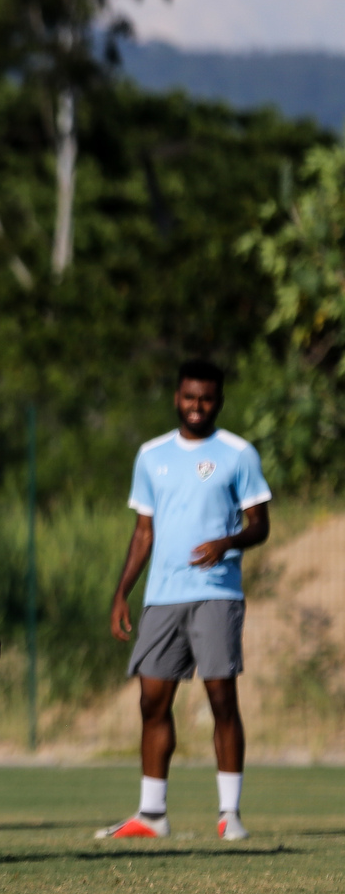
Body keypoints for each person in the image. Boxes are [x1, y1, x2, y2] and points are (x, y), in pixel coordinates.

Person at [100, 360, 269, 842]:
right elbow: (143, 532)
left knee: (221, 698)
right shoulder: (151, 455)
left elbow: (261, 525)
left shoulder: (239, 454)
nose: (198, 406)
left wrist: (227, 542)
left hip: (216, 594)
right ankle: (152, 813)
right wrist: (121, 593)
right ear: (177, 397)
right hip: (162, 598)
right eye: (190, 397)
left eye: (208, 398)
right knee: (152, 700)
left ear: (219, 400)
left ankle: (229, 813)